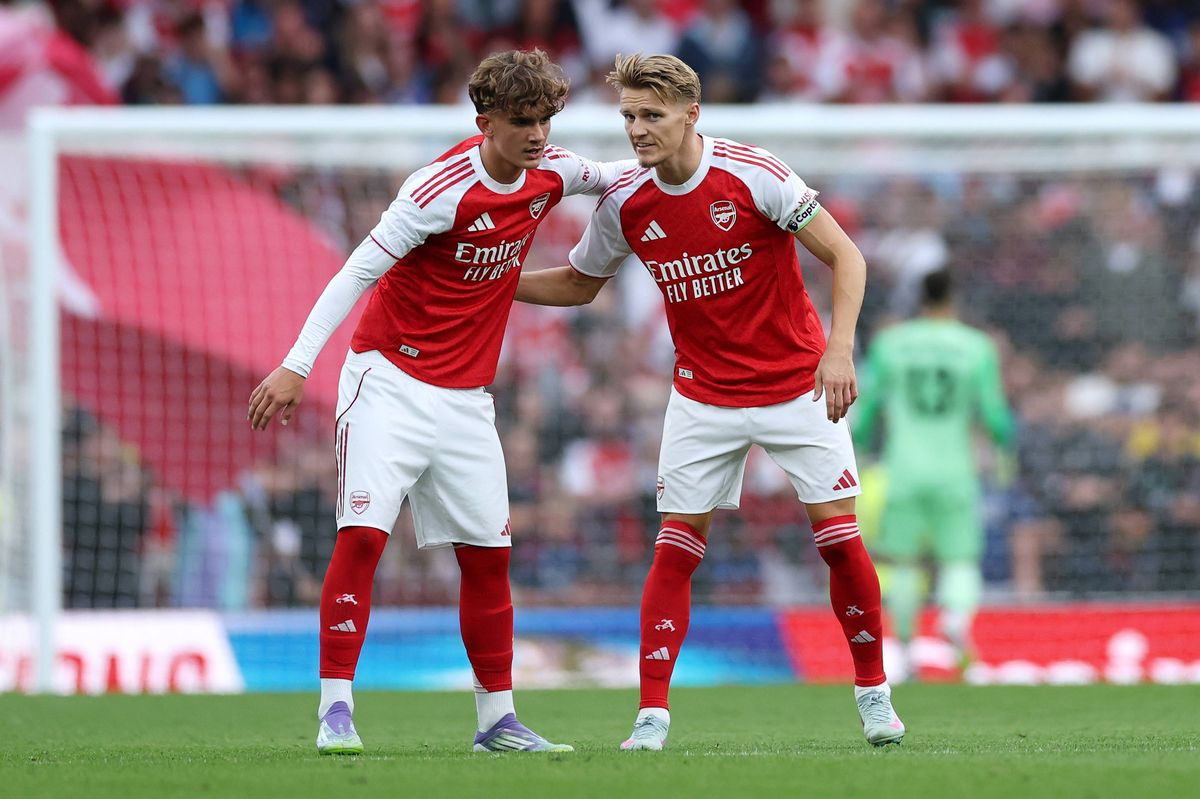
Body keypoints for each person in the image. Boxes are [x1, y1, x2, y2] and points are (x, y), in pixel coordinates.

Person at [247, 48, 634, 755]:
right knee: (362, 538)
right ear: (484, 121)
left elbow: (618, 177)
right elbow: (356, 272)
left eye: (546, 119)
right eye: (522, 121)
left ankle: (497, 721)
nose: (538, 135)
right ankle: (336, 709)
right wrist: (296, 365)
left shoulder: (554, 171)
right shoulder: (436, 189)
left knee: (488, 557)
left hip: (465, 399)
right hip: (388, 381)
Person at [515, 53, 904, 750]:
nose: (637, 129)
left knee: (841, 545)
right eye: (629, 115)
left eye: (651, 115)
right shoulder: (626, 202)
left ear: (691, 115)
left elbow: (848, 255)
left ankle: (874, 693)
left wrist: (840, 349)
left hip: (796, 385)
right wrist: (492, 277)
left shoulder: (753, 174)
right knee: (675, 551)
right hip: (704, 396)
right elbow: (579, 284)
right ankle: (652, 715)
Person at [852, 269, 1014, 678]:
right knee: (960, 560)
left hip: (903, 468)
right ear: (954, 298)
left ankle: (905, 655)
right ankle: (955, 620)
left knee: (904, 563)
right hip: (955, 470)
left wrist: (859, 448)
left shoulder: (890, 345)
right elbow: (995, 415)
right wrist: (1003, 449)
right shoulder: (976, 346)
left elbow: (867, 410)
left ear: (918, 299)